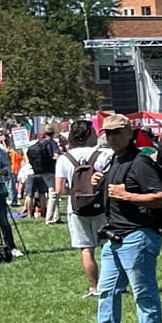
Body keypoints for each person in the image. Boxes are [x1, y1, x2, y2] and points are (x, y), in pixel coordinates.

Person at [83, 116, 162, 323]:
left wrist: (127, 195)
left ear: (130, 133)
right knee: (106, 293)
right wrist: (100, 182)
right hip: (114, 238)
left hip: (138, 236)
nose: (112, 138)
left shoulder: (140, 162)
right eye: (108, 134)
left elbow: (161, 198)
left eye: (117, 133)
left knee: (143, 293)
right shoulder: (113, 161)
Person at [55, 119, 108, 295]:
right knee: (109, 247)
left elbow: (60, 189)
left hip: (77, 207)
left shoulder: (64, 158)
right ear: (88, 134)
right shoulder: (103, 154)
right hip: (102, 205)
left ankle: (95, 287)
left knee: (87, 249)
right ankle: (115, 284)